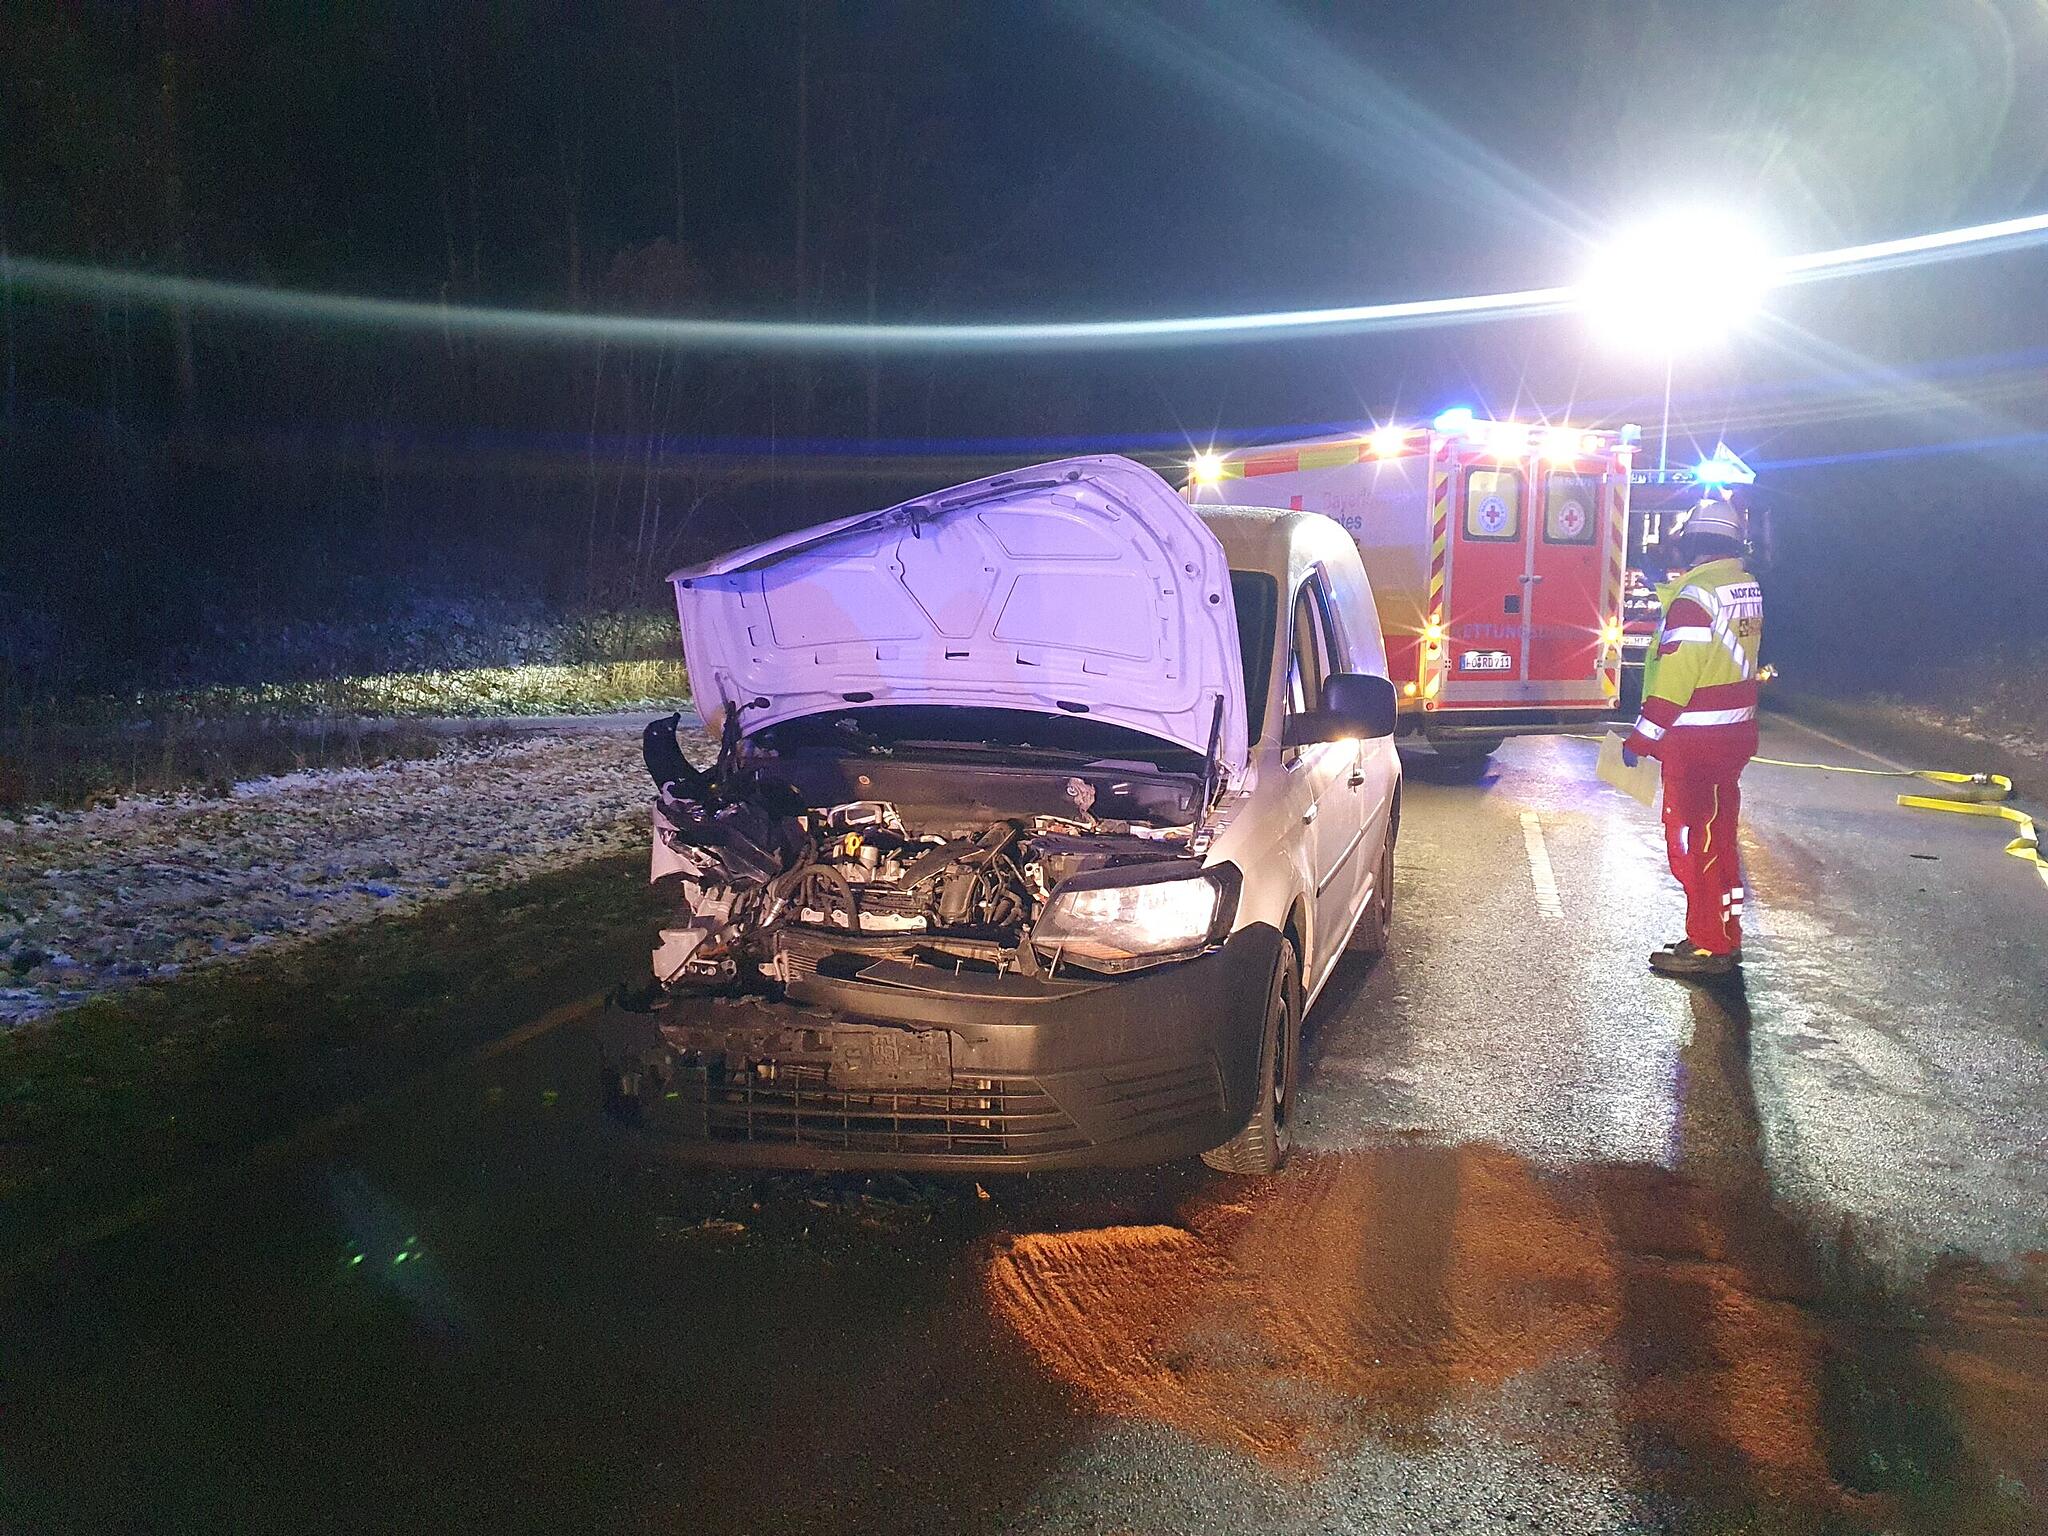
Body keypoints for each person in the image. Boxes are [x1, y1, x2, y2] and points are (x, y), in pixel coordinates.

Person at [1621, 499, 1763, 978]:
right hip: (1733, 734)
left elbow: (1677, 679)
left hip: (1696, 741)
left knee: (1692, 842)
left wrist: (1641, 739)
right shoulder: (1743, 585)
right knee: (1719, 841)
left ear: (1694, 544)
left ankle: (1706, 945)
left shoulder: (1695, 599)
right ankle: (1723, 934)